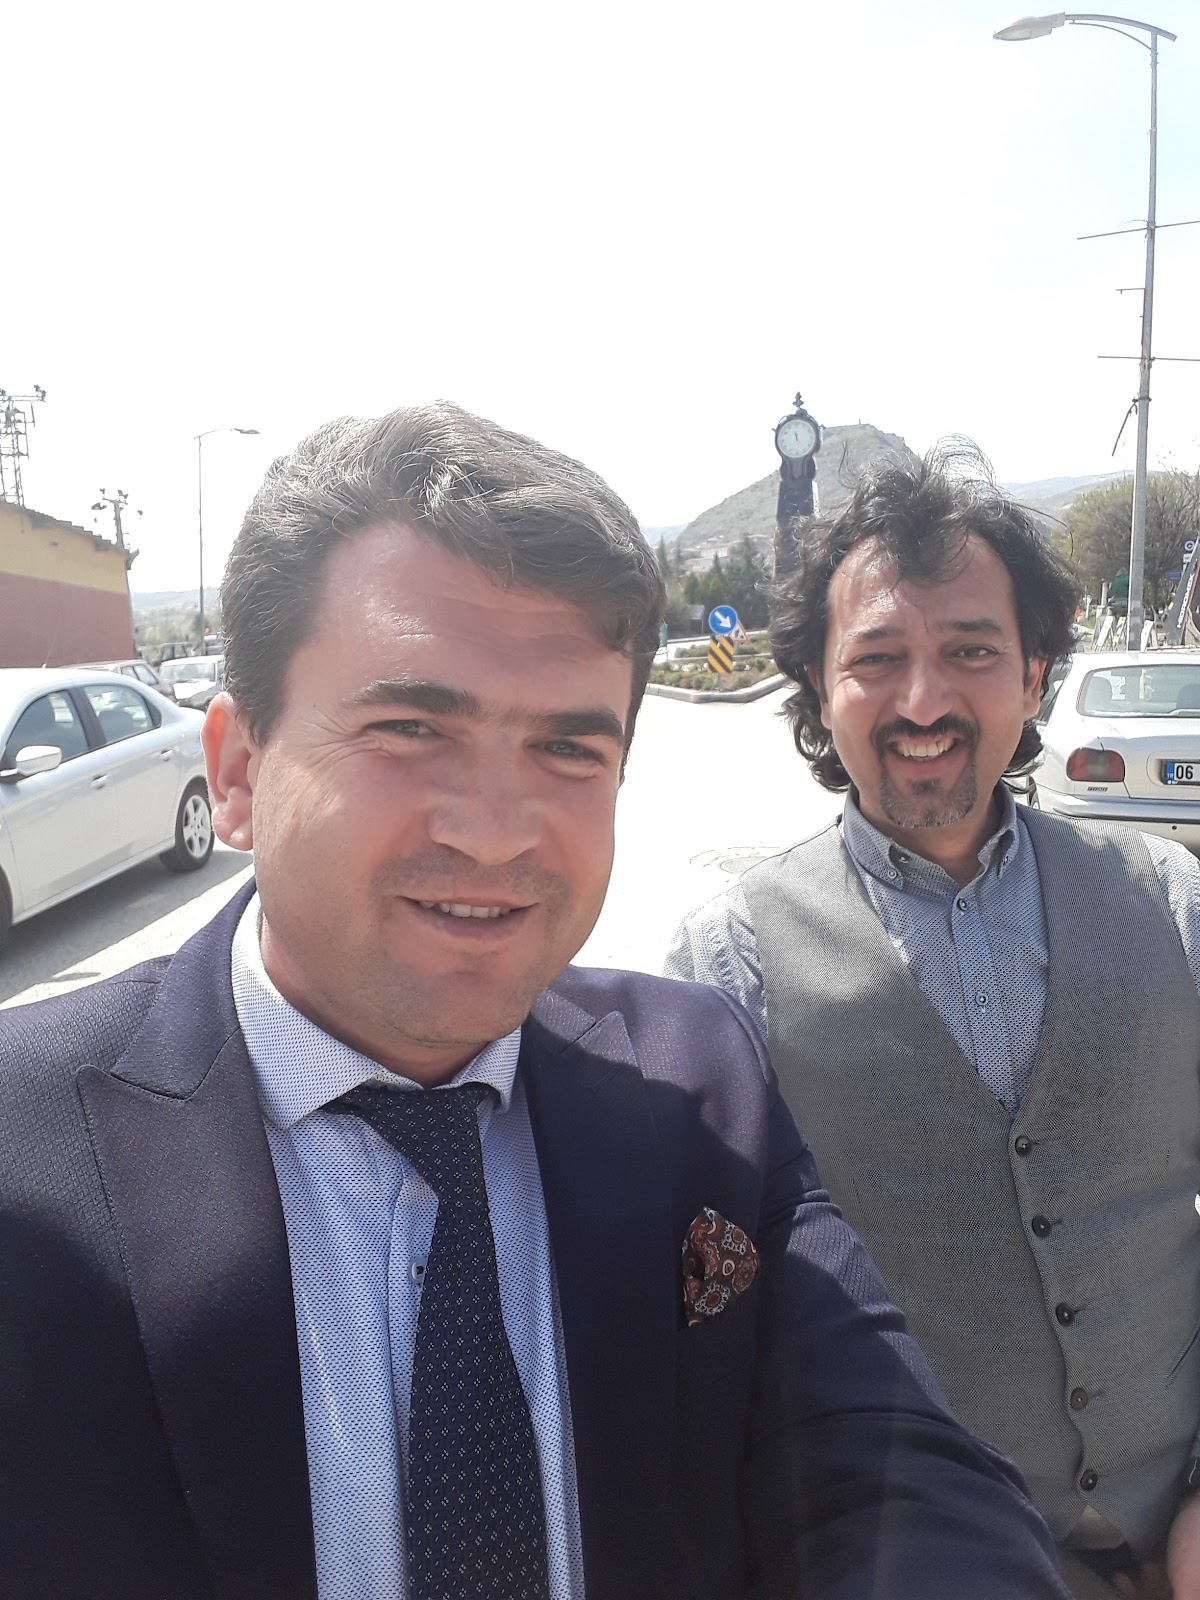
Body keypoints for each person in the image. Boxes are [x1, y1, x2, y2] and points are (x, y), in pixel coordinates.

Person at [0, 408, 1067, 1600]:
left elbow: (892, 1466)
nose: (498, 831)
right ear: (240, 770)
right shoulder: (23, 1154)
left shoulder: (697, 1085)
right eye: (411, 728)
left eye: (568, 750)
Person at [665, 445, 1200, 1600]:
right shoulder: (728, 966)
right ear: (815, 689)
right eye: (876, 659)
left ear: (1035, 673)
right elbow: (720, 1335)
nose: (923, 701)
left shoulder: (1170, 903)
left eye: (971, 651)